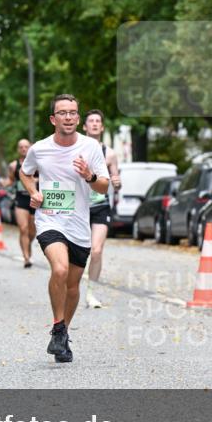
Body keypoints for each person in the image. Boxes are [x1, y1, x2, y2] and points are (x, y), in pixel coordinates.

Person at [20, 94, 109, 364]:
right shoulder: (39, 148)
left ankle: (62, 335)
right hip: (49, 219)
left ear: (78, 118)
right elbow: (25, 172)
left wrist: (89, 176)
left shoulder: (90, 147)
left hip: (79, 224)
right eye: (62, 113)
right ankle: (58, 327)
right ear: (53, 119)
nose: (68, 117)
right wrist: (33, 192)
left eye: (72, 112)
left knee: (72, 286)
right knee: (59, 269)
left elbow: (104, 185)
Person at [82, 109, 122, 308]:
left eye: (98, 121)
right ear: (85, 126)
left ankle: (91, 293)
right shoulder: (78, 149)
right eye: (91, 121)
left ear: (102, 126)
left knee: (96, 251)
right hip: (78, 207)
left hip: (100, 206)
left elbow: (116, 181)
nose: (95, 124)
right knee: (78, 251)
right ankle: (71, 285)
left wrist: (117, 182)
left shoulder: (110, 154)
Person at [7, 139, 37, 268]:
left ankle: (28, 244)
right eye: (21, 147)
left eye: (26, 147)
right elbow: (11, 180)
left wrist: (34, 180)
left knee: (32, 232)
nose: (24, 149)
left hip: (35, 199)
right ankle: (26, 257)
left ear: (30, 148)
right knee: (23, 228)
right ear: (18, 149)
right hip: (21, 199)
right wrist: (5, 184)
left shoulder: (38, 163)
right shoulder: (14, 166)